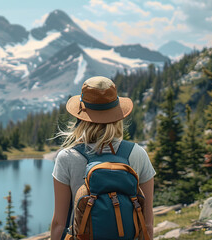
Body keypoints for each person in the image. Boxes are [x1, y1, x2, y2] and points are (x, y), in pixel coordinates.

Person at [50, 76, 155, 240]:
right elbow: (147, 224)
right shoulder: (137, 153)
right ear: (117, 115)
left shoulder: (66, 157)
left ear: (81, 117)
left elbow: (59, 223)